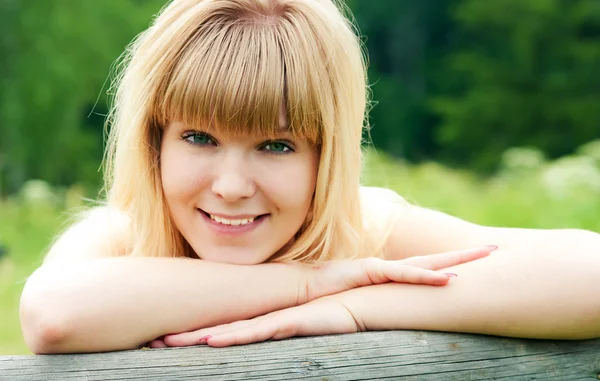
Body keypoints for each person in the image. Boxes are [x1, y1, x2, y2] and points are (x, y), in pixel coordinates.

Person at [20, 0, 600, 354]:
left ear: (328, 158)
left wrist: (358, 307)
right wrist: (311, 284)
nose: (231, 185)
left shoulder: (367, 228)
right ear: (154, 143)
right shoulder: (120, 235)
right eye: (199, 138)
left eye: (276, 145)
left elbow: (589, 275)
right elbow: (53, 315)